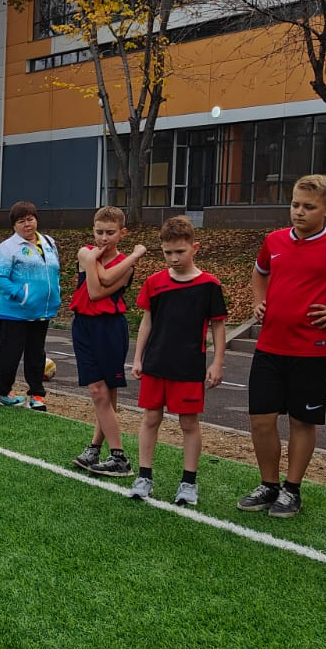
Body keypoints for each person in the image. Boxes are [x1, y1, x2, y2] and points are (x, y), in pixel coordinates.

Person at [238, 174, 326, 519]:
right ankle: (268, 485)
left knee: (302, 421)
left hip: (311, 349)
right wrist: (259, 301)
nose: (299, 212)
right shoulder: (273, 241)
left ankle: (292, 489)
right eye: (295, 205)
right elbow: (259, 273)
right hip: (270, 346)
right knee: (261, 419)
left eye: (308, 207)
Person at [128, 216, 227, 507]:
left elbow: (218, 326)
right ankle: (144, 477)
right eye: (168, 252)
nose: (173, 258)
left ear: (194, 248)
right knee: (150, 418)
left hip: (188, 366)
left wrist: (217, 362)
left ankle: (188, 483)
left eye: (180, 252)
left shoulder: (209, 285)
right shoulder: (154, 283)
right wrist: (137, 357)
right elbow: (147, 322)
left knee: (189, 423)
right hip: (156, 364)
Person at [70, 206, 147, 475]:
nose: (104, 238)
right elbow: (95, 288)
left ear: (122, 233)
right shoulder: (85, 252)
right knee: (98, 392)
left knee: (106, 393)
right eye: (99, 232)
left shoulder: (124, 265)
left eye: (110, 233)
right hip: (83, 326)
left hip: (110, 327)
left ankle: (115, 456)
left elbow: (104, 284)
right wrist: (136, 255)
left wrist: (130, 259)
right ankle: (101, 450)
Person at [0, 200, 61, 411]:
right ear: (14, 225)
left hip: (42, 310)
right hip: (16, 312)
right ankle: (2, 391)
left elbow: (54, 270)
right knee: (10, 353)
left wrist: (55, 292)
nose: (27, 224)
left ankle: (37, 395)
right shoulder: (7, 248)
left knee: (36, 353)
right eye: (21, 221)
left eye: (30, 219)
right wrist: (21, 295)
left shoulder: (49, 242)